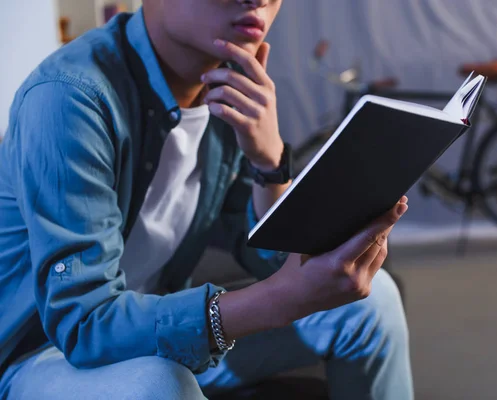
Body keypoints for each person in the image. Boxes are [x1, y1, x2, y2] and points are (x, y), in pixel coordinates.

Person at [0, 0, 413, 398]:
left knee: (374, 302)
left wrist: (269, 164)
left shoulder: (230, 86)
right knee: (158, 384)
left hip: (147, 325)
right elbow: (84, 325)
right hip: (41, 356)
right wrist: (280, 299)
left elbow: (265, 251)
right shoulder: (71, 97)